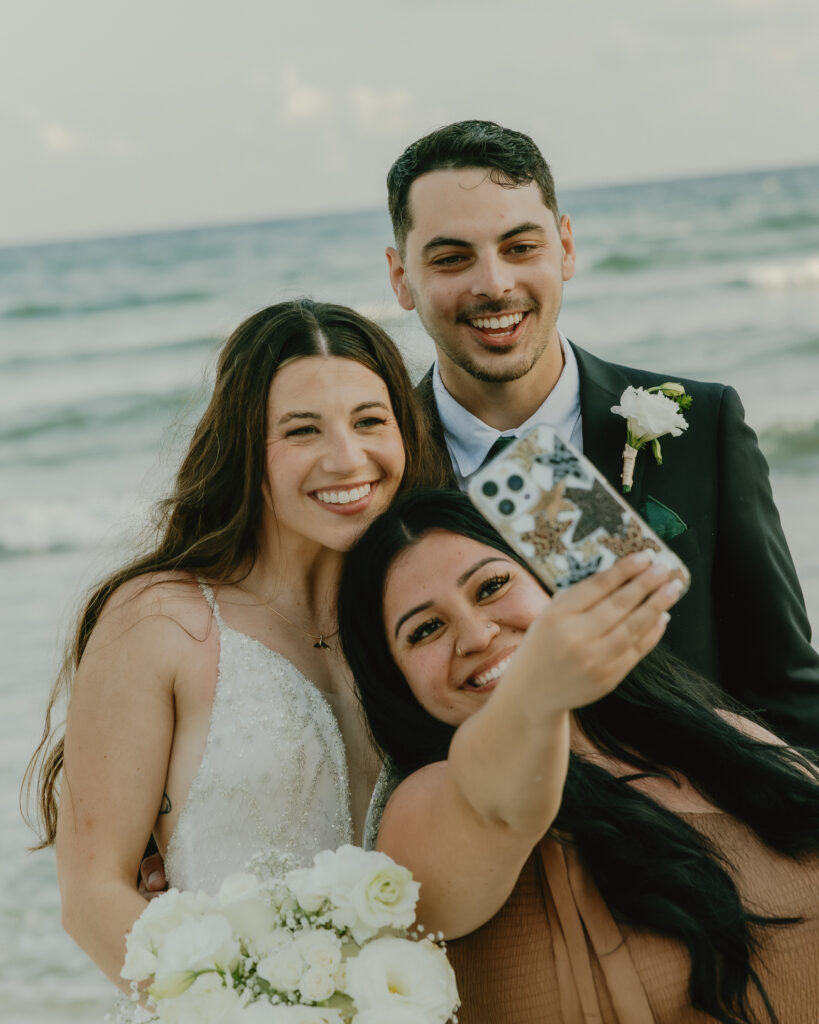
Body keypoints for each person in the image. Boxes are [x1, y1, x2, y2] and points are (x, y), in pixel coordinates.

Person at [23, 299, 446, 992]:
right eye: (302, 430)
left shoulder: (423, 617)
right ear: (248, 448)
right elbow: (92, 894)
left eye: (371, 421)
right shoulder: (159, 620)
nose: (347, 458)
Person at [384, 120, 819, 750]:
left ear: (565, 246)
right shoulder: (381, 469)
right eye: (452, 258)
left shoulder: (704, 424)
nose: (494, 284)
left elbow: (789, 692)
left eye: (520, 247)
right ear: (401, 279)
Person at [338, 488, 819, 1024]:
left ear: (550, 580)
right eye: (425, 629)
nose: (476, 635)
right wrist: (538, 685)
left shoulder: (721, 736)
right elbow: (494, 798)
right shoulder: (424, 809)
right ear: (395, 682)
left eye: (492, 585)